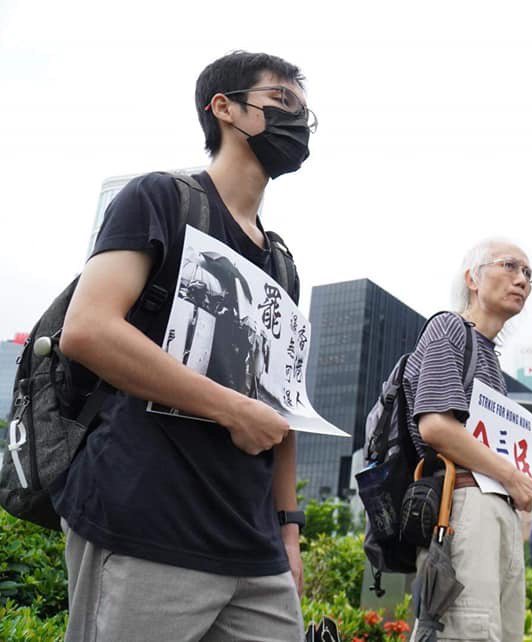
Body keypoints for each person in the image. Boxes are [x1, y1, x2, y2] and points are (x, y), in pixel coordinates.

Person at [54, 51, 313, 641]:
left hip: (255, 551)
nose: (297, 120)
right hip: (144, 521)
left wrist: (289, 534)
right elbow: (88, 328)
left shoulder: (284, 266)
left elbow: (282, 405)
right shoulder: (160, 199)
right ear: (224, 108)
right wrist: (229, 408)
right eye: (281, 103)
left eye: (304, 111)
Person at [404, 239, 532, 641]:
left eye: (529, 275)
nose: (523, 281)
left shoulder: (489, 356)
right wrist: (511, 477)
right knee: (470, 631)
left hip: (494, 509)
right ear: (473, 278)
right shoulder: (449, 327)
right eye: (510, 266)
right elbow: (436, 427)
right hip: (463, 503)